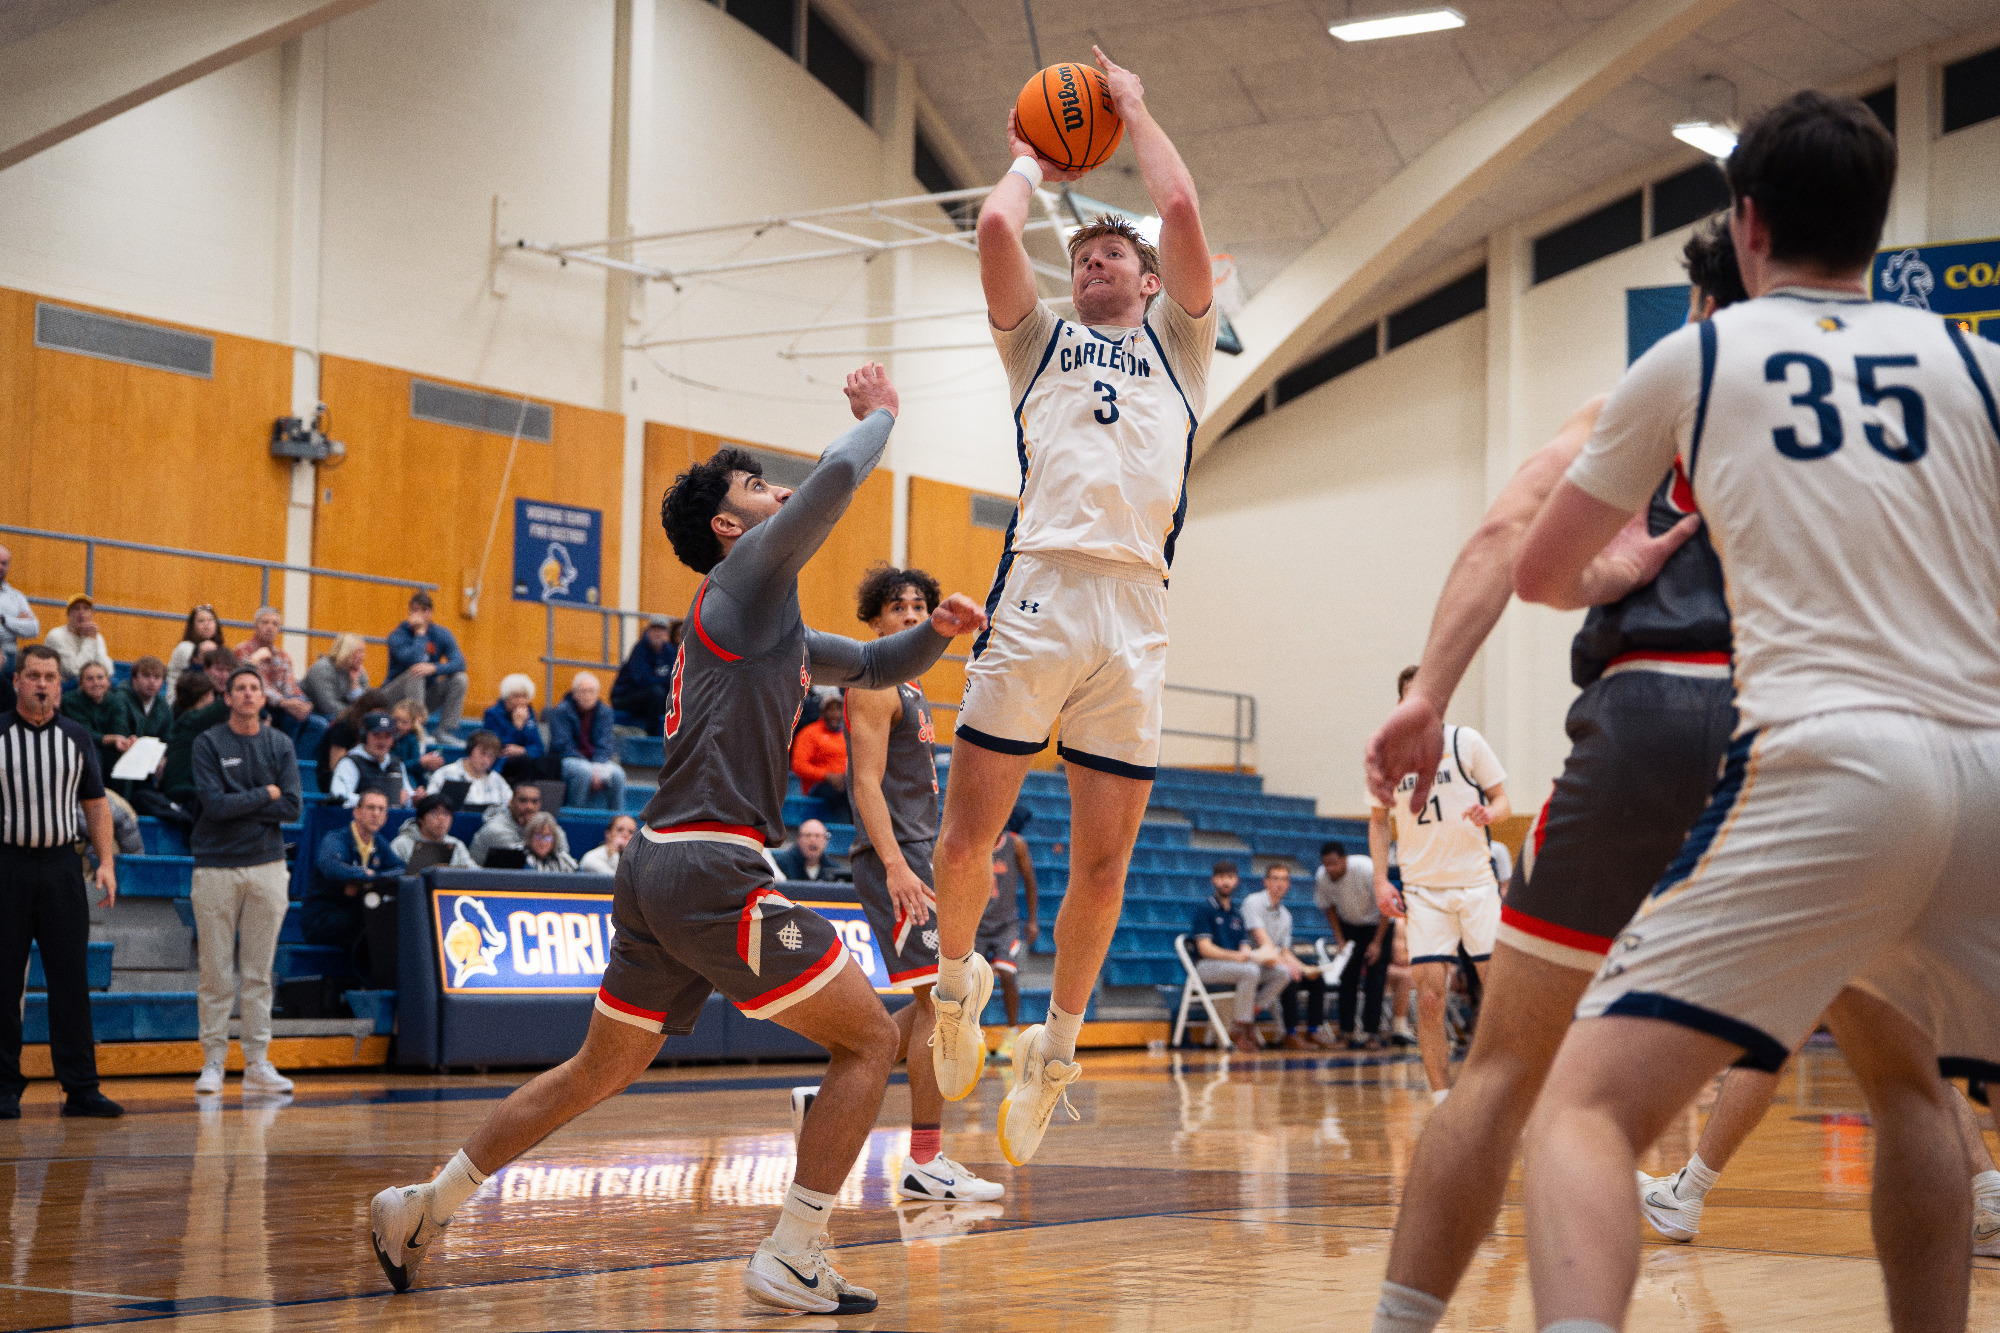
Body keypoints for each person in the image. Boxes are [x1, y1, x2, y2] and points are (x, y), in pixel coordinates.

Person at [1509, 90, 2000, 1333]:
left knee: (1578, 1108)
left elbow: (1541, 571)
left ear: (1745, 225)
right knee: (1915, 1094)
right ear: (1877, 227)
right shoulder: (1978, 366)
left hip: (1834, 764)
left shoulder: (1701, 355)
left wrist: (1620, 568)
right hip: (1988, 771)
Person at [368, 363, 983, 1314]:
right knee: (869, 1041)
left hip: (657, 863)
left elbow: (872, 660)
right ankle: (794, 1250)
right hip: (710, 868)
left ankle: (426, 1202)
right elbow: (832, 481)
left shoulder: (769, 619)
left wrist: (936, 632)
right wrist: (881, 416)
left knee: (597, 1069)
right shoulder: (744, 579)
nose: (777, 491)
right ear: (730, 527)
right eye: (757, 487)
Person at [1359, 223, 1744, 1333]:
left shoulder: (1655, 386)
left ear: (1700, 298)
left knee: (1516, 1079)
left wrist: (1430, 690)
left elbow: (1507, 539)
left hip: (1649, 711)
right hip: (1815, 734)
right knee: (1905, 1075)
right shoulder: (1893, 399)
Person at [930, 48, 1218, 1167]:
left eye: (1114, 257)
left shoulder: (1182, 348)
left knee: (1104, 868)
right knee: (969, 836)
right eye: (1084, 256)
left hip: (1136, 613)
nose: (1096, 264)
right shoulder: (1037, 340)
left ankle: (1053, 1046)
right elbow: (997, 233)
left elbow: (1180, 209)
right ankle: (955, 984)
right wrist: (1027, 161)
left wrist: (1133, 107)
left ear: (1147, 284)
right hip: (1042, 589)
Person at [811, 562, 1004, 1201]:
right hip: (895, 857)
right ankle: (925, 1160)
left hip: (921, 851)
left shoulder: (913, 688)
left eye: (920, 606)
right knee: (940, 1002)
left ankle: (827, 1095)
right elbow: (864, 783)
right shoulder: (873, 684)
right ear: (875, 621)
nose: (914, 616)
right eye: (900, 608)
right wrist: (896, 865)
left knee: (936, 997)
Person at [1367, 666, 1510, 1104]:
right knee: (1429, 1000)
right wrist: (1380, 880)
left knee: (1500, 995)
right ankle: (1441, 1102)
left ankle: (1510, 1094)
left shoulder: (1466, 742)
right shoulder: (1385, 756)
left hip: (1476, 885)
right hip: (1423, 892)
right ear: (1401, 705)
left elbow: (1503, 799)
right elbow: (1379, 822)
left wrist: (1490, 813)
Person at [0, 644, 122, 1119]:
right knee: (4, 981)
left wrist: (106, 862)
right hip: (7, 866)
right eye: (34, 676)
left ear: (59, 685)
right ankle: (4, 1087)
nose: (42, 684)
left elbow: (95, 803)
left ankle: (81, 1088)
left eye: (50, 677)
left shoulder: (76, 736)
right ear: (17, 681)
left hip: (61, 868)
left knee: (70, 979)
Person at [189, 666, 302, 1097]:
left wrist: (248, 800)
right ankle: (213, 1063)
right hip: (215, 865)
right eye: (241, 688)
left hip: (268, 866)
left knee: (259, 973)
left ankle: (256, 1063)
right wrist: (265, 793)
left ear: (263, 696)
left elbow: (292, 806)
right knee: (215, 973)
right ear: (229, 697)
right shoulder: (208, 742)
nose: (249, 694)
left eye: (255, 688)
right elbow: (214, 806)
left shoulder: (280, 743)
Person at [1189, 861, 1285, 1054]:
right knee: (1249, 971)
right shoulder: (1205, 908)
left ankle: (1248, 1015)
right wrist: (1238, 957)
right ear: (1213, 880)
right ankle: (1240, 1029)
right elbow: (1205, 949)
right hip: (1207, 967)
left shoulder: (1237, 914)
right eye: (1221, 877)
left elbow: (1244, 946)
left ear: (1236, 881)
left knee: (1281, 973)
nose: (1226, 882)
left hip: (1234, 967)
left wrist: (1257, 956)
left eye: (1230, 877)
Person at [304, 788, 403, 960]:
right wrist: (364, 874)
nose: (376, 814)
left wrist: (366, 880)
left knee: (389, 918)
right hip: (322, 918)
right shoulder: (336, 838)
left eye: (381, 809)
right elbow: (331, 867)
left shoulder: (379, 842)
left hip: (354, 915)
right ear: (356, 812)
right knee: (378, 921)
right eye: (370, 808)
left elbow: (401, 869)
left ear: (386, 817)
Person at [1241, 863, 1331, 1051]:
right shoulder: (1253, 902)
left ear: (1289, 884)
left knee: (1315, 978)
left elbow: (1285, 952)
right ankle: (1290, 1033)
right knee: (1288, 975)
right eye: (1275, 878)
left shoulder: (1285, 915)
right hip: (1254, 963)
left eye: (1284, 879)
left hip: (1275, 963)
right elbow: (1264, 943)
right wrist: (1291, 967)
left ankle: (1313, 1031)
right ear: (1266, 882)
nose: (1279, 883)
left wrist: (1305, 969)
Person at [978, 805, 1040, 1061]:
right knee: (973, 979)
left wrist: (1032, 920)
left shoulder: (1016, 844)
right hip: (977, 925)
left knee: (1006, 972)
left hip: (1006, 924)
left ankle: (1012, 1031)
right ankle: (973, 1034)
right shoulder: (976, 844)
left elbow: (1030, 882)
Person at [1316, 842, 1388, 1050]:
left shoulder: (1366, 868)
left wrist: (1377, 942)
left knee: (1375, 978)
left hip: (1377, 924)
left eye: (1334, 863)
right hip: (1349, 925)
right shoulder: (1322, 877)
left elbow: (1385, 907)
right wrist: (1340, 940)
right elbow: (1329, 908)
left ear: (1345, 860)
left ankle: (1372, 1033)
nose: (1330, 868)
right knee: (1347, 978)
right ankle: (1346, 1032)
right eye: (1326, 864)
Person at [235, 606, 327, 756]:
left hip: (284, 706)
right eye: (265, 622)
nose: (270, 627)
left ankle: (296, 762)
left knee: (320, 725)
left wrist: (304, 703)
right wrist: (285, 702)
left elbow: (291, 686)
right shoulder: (243, 651)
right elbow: (257, 687)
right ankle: (285, 758)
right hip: (259, 706)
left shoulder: (283, 656)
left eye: (275, 624)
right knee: (292, 716)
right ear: (255, 626)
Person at [160, 652, 235, 822]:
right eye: (212, 694)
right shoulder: (192, 720)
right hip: (184, 792)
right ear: (204, 696)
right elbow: (225, 704)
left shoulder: (185, 720)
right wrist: (249, 666)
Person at [384, 591, 467, 736]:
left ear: (431, 613)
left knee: (460, 678)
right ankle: (418, 729)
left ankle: (445, 731)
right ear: (409, 612)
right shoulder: (398, 635)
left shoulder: (441, 634)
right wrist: (420, 633)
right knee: (416, 671)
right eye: (415, 610)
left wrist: (435, 668)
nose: (420, 614)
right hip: (393, 698)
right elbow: (414, 661)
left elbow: (460, 663)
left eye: (424, 610)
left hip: (424, 697)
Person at [548, 672, 626, 811]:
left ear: (597, 694)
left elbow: (606, 744)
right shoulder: (561, 711)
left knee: (618, 774)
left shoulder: (605, 711)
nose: (587, 695)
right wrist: (590, 768)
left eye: (591, 691)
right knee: (583, 772)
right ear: (574, 693)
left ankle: (617, 816)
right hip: (567, 758)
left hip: (596, 760)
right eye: (583, 691)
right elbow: (561, 744)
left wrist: (596, 765)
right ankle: (576, 813)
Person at [482, 674, 559, 785]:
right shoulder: (492, 714)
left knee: (553, 761)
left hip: (525, 756)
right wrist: (516, 727)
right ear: (506, 697)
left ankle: (547, 795)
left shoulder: (529, 713)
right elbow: (497, 746)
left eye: (525, 697)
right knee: (524, 761)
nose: (521, 701)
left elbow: (538, 747)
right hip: (502, 760)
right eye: (516, 697)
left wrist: (524, 751)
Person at [468, 782, 568, 866]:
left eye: (534, 801)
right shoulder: (496, 830)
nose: (529, 807)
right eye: (523, 800)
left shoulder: (546, 825)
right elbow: (523, 863)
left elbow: (563, 856)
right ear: (511, 802)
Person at [328, 713, 413, 809]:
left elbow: (408, 794)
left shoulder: (397, 764)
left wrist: (413, 799)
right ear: (365, 736)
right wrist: (380, 801)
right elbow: (339, 795)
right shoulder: (350, 763)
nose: (382, 741)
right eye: (376, 735)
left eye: (387, 736)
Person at [61, 661, 129, 777]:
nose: (96, 683)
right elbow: (83, 733)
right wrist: (110, 739)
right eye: (90, 679)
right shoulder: (70, 701)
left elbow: (120, 729)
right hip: (81, 747)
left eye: (100, 678)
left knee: (125, 756)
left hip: (111, 748)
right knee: (93, 753)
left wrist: (124, 740)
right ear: (81, 683)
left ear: (108, 681)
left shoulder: (117, 701)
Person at [788, 694, 849, 823]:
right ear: (823, 712)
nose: (835, 714)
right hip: (817, 786)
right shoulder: (809, 733)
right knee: (842, 793)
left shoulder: (847, 735)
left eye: (838, 709)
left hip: (845, 782)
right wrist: (827, 776)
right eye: (830, 710)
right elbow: (798, 765)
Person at [611, 615, 676, 735]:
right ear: (648, 631)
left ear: (666, 633)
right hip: (624, 697)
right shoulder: (639, 649)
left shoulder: (670, 651)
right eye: (654, 629)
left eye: (661, 630)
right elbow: (640, 681)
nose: (658, 633)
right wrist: (663, 680)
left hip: (653, 698)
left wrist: (661, 681)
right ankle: (651, 737)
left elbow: (674, 680)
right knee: (657, 693)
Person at [426, 729, 511, 810]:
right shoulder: (445, 774)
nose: (486, 760)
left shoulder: (498, 781)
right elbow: (429, 807)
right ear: (470, 750)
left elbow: (510, 805)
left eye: (491, 756)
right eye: (483, 753)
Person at [317, 687, 393, 775]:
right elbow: (335, 766)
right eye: (375, 715)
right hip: (336, 777)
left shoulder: (382, 731)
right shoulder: (343, 727)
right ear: (364, 712)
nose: (378, 719)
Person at [390, 791, 475, 870]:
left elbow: (474, 872)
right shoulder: (401, 844)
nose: (441, 818)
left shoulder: (456, 844)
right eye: (434, 813)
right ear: (421, 819)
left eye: (446, 814)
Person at [0, 544, 39, 714]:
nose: (1, 567)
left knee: (34, 672)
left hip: (12, 655)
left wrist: (4, 620)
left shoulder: (16, 597)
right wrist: (17, 623)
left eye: (4, 563)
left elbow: (34, 629)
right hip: (3, 655)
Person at [43, 594, 112, 683]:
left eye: (86, 608)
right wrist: (90, 640)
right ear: (68, 615)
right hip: (64, 685)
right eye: (76, 609)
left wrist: (92, 639)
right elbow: (74, 672)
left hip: (89, 684)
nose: (81, 613)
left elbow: (108, 671)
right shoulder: (56, 636)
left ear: (91, 615)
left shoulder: (96, 636)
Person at [302, 632, 370, 718]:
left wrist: (355, 685)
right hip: (314, 714)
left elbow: (366, 705)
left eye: (363, 652)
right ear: (346, 651)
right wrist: (357, 714)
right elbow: (328, 706)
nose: (363, 656)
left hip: (343, 714)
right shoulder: (322, 668)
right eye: (359, 651)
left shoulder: (359, 671)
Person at [166, 603, 223, 694]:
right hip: (180, 697)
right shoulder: (185, 647)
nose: (207, 624)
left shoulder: (219, 648)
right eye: (201, 621)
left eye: (211, 620)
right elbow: (203, 676)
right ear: (192, 626)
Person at [388, 698, 446, 779]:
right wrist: (420, 763)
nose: (399, 725)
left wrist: (425, 764)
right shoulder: (388, 738)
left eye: (404, 722)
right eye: (395, 720)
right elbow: (390, 765)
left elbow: (415, 767)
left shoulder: (412, 739)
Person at [771, 818, 844, 882]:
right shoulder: (782, 865)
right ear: (799, 839)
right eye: (808, 835)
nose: (812, 840)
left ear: (825, 841)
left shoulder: (834, 869)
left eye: (817, 836)